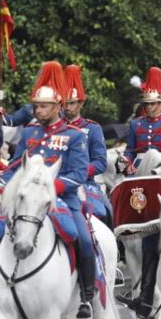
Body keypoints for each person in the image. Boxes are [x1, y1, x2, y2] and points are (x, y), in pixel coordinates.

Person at [0, 61, 97, 319]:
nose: (37, 111)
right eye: (36, 106)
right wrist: (1, 184)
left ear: (57, 107)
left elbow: (77, 175)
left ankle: (86, 298)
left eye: (43, 106)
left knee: (82, 239)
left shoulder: (75, 136)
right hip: (27, 200)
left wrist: (49, 189)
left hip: (62, 199)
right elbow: (15, 165)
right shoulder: (30, 132)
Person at [62, 65, 111, 225]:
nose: (67, 107)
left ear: (81, 103)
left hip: (85, 182)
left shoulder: (92, 128)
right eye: (65, 103)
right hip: (57, 180)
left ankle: (116, 249)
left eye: (72, 103)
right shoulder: (53, 129)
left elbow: (100, 162)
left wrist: (81, 171)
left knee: (106, 212)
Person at [123, 67, 161, 172]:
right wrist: (126, 161)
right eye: (146, 103)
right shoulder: (135, 123)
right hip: (139, 167)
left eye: (152, 103)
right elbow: (130, 150)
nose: (149, 107)